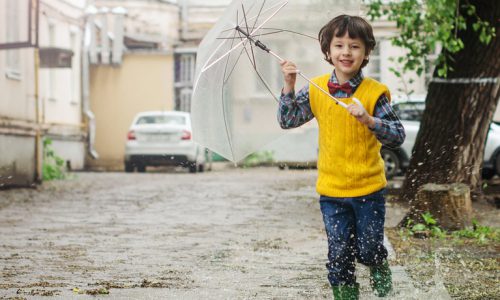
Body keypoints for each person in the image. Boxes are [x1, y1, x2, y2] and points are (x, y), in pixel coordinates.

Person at [278, 15, 405, 300]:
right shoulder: (317, 88)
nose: (346, 52)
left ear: (366, 52)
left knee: (369, 249)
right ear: (328, 51)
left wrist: (369, 120)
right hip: (332, 192)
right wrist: (288, 84)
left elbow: (397, 136)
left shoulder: (374, 93)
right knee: (339, 256)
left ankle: (379, 264)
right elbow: (287, 120)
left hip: (368, 190)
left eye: (354, 46)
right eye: (339, 45)